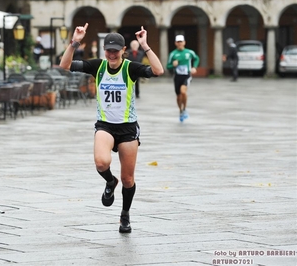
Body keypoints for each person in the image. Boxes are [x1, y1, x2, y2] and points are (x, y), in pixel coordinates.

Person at [60, 23, 164, 233]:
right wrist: (75, 42)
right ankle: (110, 181)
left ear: (123, 51)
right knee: (101, 163)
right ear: (104, 51)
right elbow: (65, 65)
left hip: (127, 129)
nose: (112, 54)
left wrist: (145, 45)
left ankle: (125, 215)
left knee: (128, 179)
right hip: (105, 125)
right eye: (109, 50)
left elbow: (158, 70)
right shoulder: (97, 66)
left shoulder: (130, 68)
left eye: (116, 51)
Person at [166, 35, 200, 122]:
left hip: (187, 75)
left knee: (183, 92)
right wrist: (172, 65)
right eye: (178, 42)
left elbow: (196, 59)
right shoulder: (173, 54)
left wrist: (194, 67)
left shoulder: (189, 52)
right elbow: (168, 66)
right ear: (175, 43)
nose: (180, 43)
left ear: (184, 42)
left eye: (181, 41)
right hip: (177, 76)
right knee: (178, 96)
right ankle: (180, 110)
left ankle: (184, 109)